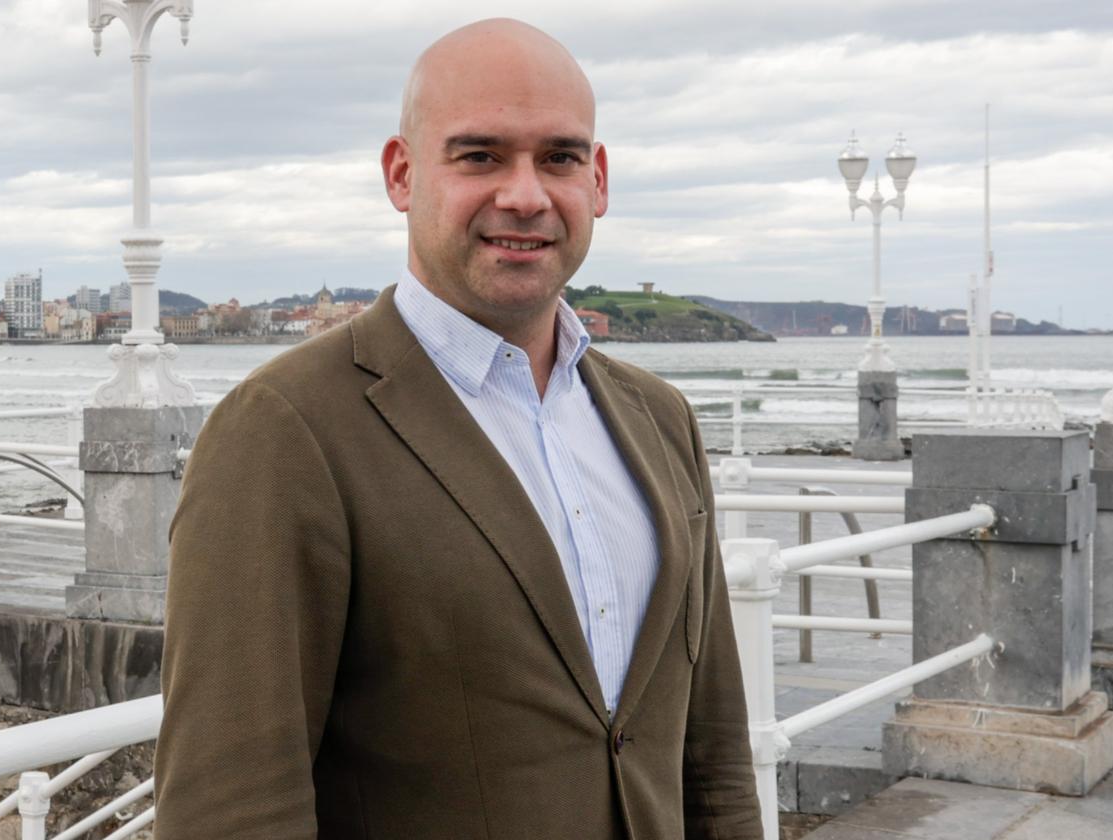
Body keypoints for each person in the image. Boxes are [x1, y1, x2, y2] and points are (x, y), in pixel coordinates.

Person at [154, 18, 762, 840]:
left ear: (600, 180)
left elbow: (712, 751)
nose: (525, 194)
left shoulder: (659, 420)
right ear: (402, 175)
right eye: (479, 156)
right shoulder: (283, 430)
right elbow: (231, 807)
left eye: (559, 157)